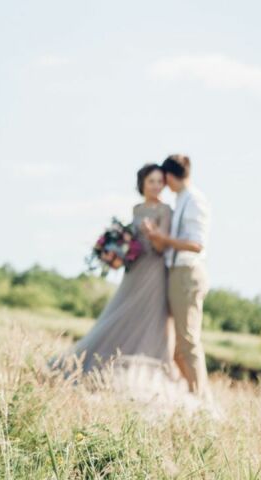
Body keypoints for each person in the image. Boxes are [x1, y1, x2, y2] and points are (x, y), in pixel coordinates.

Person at [58, 164, 177, 379]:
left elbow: (161, 248)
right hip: (134, 269)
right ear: (142, 183)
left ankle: (139, 372)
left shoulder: (165, 210)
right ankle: (99, 365)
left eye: (160, 182)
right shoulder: (137, 209)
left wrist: (152, 234)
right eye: (152, 181)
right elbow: (131, 242)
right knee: (119, 313)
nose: (156, 186)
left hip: (154, 271)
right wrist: (115, 252)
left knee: (148, 318)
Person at [144, 154, 211, 399]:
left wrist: (163, 240)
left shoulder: (194, 200)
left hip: (187, 274)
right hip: (176, 274)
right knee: (177, 347)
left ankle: (202, 400)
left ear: (170, 177)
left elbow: (196, 245)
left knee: (188, 342)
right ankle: (193, 394)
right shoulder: (182, 199)